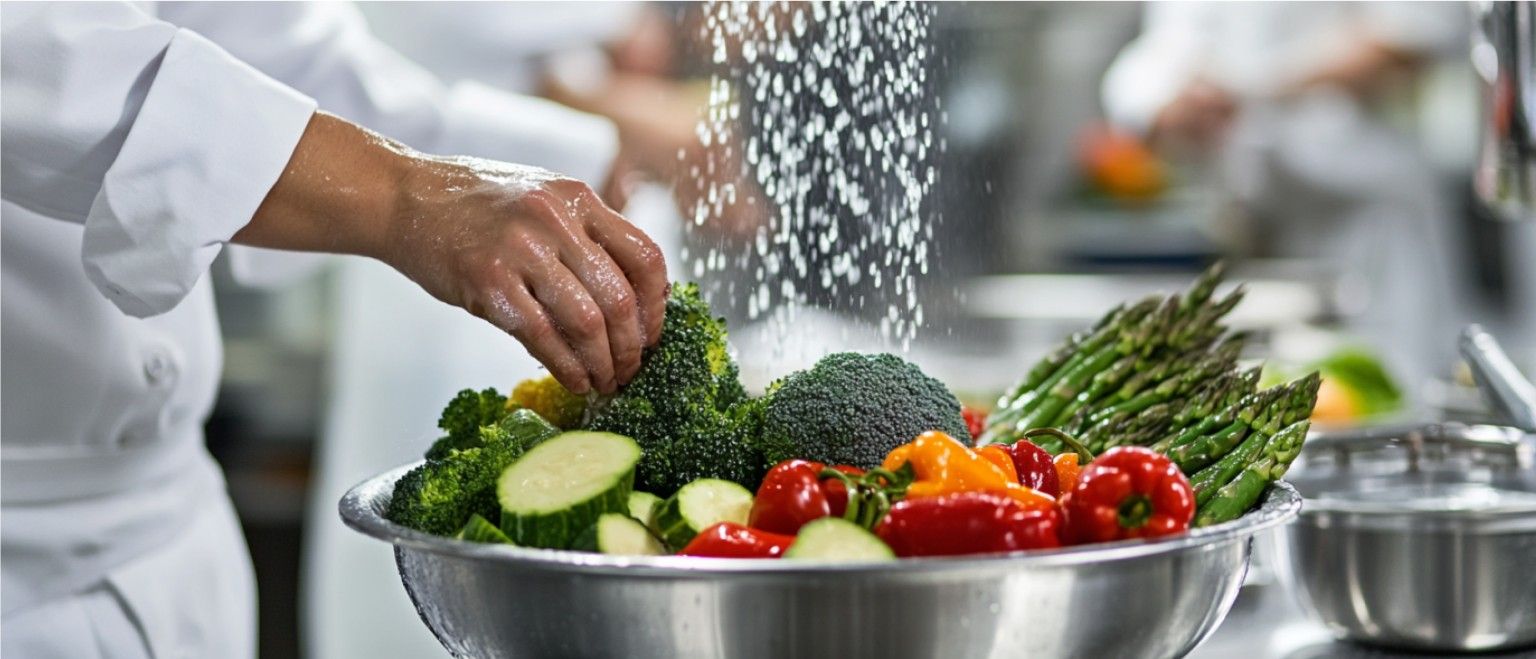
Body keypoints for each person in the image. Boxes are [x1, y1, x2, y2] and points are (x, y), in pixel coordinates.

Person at [0, 4, 668, 657]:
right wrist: (402, 197)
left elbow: (263, 45)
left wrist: (572, 156)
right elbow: (38, 60)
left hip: (179, 543)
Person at [1102, 2, 1470, 390]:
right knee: (1265, 390)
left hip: (1370, 228)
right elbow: (1168, 47)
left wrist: (1253, 89)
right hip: (1253, 229)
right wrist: (1163, 105)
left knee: (1393, 388)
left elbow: (1415, 30)